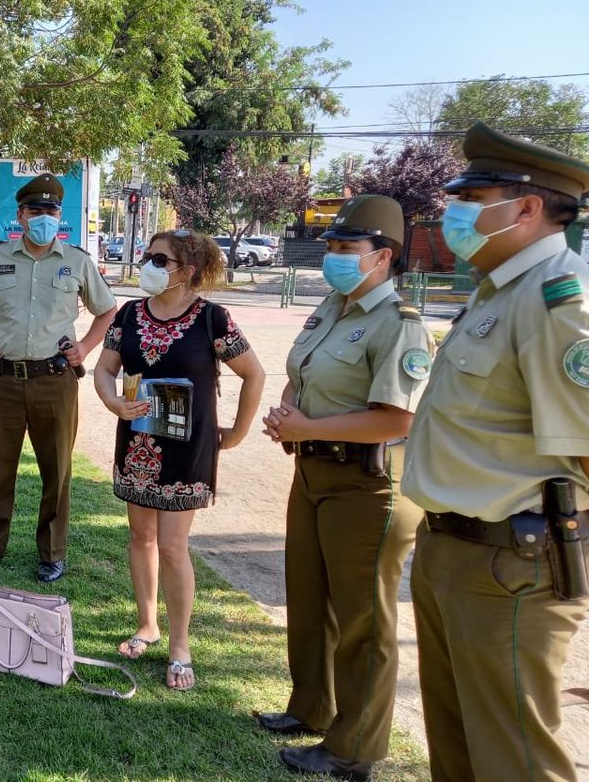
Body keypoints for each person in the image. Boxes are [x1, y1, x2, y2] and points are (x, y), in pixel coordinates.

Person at [401, 123, 589, 782]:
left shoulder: (557, 300)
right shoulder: (498, 290)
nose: (455, 213)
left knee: (514, 760)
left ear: (528, 207)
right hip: (455, 549)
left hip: (512, 564)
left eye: (472, 197)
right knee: (458, 750)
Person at [256, 195, 432, 781]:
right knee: (307, 598)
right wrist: (289, 414)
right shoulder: (333, 306)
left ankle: (355, 747)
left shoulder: (399, 325)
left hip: (368, 485)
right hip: (312, 471)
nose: (332, 257)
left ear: (382, 258)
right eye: (330, 247)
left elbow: (398, 419)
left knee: (364, 620)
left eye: (344, 249)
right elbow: (301, 376)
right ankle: (311, 706)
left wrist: (309, 427)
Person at [93, 230, 265, 689]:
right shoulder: (130, 314)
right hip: (138, 444)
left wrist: (238, 432)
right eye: (147, 255)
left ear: (186, 271)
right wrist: (113, 403)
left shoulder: (213, 319)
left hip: (188, 448)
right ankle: (147, 624)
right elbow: (105, 368)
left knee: (172, 546)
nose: (148, 264)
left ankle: (179, 645)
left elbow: (253, 374)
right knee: (140, 536)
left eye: (158, 259)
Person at [0, 173, 117, 583]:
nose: (45, 218)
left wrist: (85, 347)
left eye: (52, 211)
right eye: (37, 211)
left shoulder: (77, 262)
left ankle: (52, 552)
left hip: (55, 378)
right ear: (22, 215)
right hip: (4, 379)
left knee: (57, 469)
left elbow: (107, 310)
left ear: (59, 216)